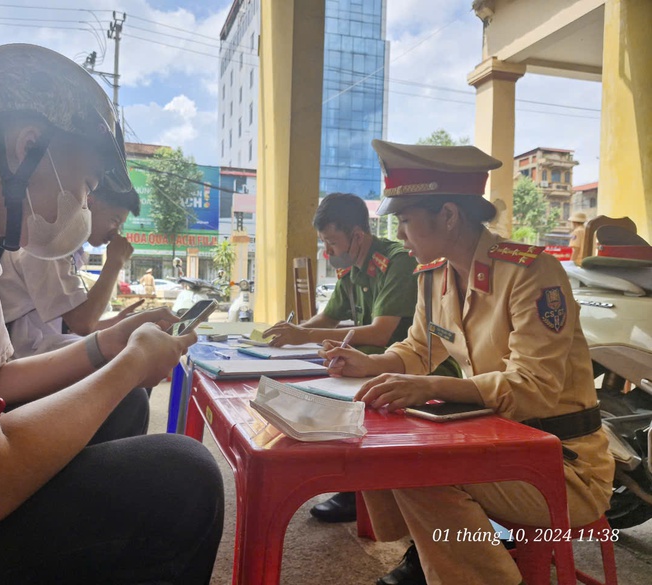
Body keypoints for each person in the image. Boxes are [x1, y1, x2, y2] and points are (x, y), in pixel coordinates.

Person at [0, 44, 223, 585]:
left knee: (125, 410)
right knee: (184, 478)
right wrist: (127, 367)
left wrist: (111, 347)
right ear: (26, 145)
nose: (83, 207)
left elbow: (1, 379)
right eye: (83, 186)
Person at [321, 140, 613, 585]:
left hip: (561, 460)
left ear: (450, 215)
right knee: (389, 446)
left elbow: (532, 387)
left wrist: (433, 387)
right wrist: (369, 363)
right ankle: (438, 558)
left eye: (405, 220)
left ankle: (453, 566)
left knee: (423, 468)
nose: (399, 235)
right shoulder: (433, 279)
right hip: (496, 443)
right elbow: (418, 350)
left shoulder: (530, 273)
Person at [263, 192, 421, 523]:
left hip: (406, 369)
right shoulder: (351, 269)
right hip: (369, 367)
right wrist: (292, 333)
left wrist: (305, 335)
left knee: (334, 396)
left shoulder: (396, 262)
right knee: (316, 384)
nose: (328, 252)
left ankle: (356, 487)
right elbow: (327, 319)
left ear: (357, 236)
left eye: (332, 242)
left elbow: (381, 332)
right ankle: (354, 485)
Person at [0, 182, 143, 359]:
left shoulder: (70, 251)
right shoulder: (47, 245)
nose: (116, 233)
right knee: (132, 360)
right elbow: (83, 323)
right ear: (89, 202)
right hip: (16, 358)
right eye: (114, 220)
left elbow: (72, 323)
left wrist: (116, 322)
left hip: (39, 351)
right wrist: (114, 263)